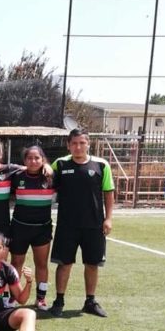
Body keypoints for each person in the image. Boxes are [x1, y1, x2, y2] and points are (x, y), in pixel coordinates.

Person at [50, 129, 114, 318]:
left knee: (92, 264)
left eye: (82, 143)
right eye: (74, 143)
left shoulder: (101, 165)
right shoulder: (60, 164)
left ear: (88, 144)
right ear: (69, 145)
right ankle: (59, 301)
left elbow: (108, 192)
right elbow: (44, 178)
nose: (78, 147)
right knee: (64, 264)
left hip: (94, 225)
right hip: (66, 225)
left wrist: (109, 218)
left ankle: (90, 301)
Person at [9, 146, 55, 310]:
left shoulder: (51, 177)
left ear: (43, 159)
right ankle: (13, 296)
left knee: (41, 263)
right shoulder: (17, 176)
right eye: (29, 158)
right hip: (19, 227)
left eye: (37, 158)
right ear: (24, 161)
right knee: (16, 262)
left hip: (42, 229)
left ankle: (41, 298)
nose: (33, 161)